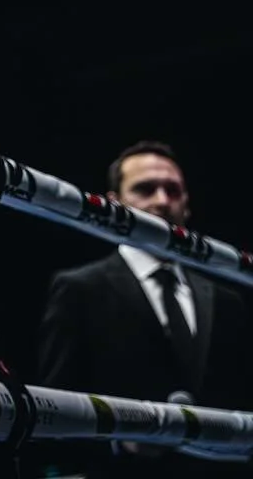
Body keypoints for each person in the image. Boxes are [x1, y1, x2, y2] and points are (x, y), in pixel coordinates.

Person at [36, 140, 250, 476]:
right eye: (145, 189)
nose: (162, 201)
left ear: (187, 204)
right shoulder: (80, 288)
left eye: (173, 190)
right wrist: (121, 442)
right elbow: (56, 411)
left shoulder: (227, 299)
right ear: (114, 202)